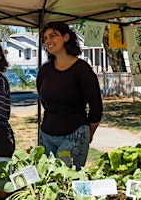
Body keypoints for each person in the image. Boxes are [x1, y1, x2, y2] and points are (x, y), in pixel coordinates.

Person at [37, 21, 103, 170]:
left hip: (73, 136)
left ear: (66, 37)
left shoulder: (82, 70)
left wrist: (87, 135)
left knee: (65, 181)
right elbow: (45, 102)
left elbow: (96, 108)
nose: (48, 41)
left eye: (52, 36)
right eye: (45, 38)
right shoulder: (45, 70)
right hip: (46, 136)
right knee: (45, 181)